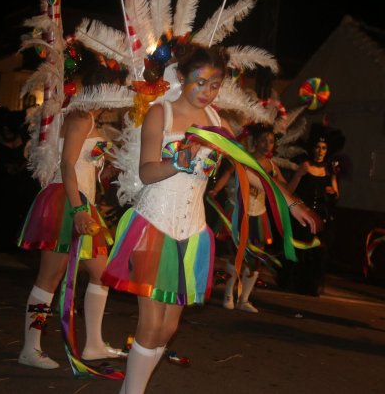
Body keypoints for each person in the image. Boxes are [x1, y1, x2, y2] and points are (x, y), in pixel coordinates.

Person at [102, 44, 319, 394]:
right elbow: (145, 172)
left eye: (214, 84)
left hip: (192, 231)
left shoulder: (216, 122)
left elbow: (250, 168)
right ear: (182, 77)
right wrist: (177, 163)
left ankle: (133, 385)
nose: (206, 91)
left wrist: (292, 204)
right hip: (154, 225)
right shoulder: (162, 114)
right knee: (152, 323)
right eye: (199, 82)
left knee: (169, 328)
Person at [17, 52, 121, 369]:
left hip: (82, 202)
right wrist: (77, 209)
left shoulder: (87, 118)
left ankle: (93, 345)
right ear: (101, 89)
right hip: (68, 202)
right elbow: (66, 164)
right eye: (115, 88)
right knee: (50, 276)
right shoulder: (80, 117)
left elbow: (84, 164)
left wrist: (108, 169)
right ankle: (30, 349)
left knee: (102, 273)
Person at [209, 124, 289, 313]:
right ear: (255, 141)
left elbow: (285, 188)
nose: (267, 145)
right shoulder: (244, 158)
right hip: (239, 212)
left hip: (259, 215)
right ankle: (228, 295)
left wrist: (298, 180)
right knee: (236, 255)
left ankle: (244, 299)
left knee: (256, 259)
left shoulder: (272, 166)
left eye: (271, 141)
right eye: (263, 140)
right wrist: (217, 189)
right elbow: (228, 173)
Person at [284, 124, 343, 296]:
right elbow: (289, 190)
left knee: (317, 253)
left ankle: (309, 286)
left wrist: (332, 192)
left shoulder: (329, 170)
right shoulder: (305, 167)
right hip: (303, 216)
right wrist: (298, 175)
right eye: (317, 147)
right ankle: (293, 282)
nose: (320, 151)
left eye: (324, 148)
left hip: (321, 217)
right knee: (299, 250)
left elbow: (336, 194)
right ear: (312, 148)